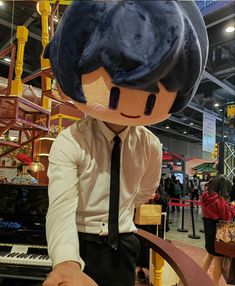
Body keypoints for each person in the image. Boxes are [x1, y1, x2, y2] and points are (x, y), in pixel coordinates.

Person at [42, 1, 208, 285]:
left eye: (150, 98)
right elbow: (60, 207)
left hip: (126, 244)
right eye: (115, 94)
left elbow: (146, 192)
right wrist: (67, 263)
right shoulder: (70, 142)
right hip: (79, 242)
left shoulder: (150, 145)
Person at [201, 174, 235, 286]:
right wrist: (233, 206)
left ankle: (198, 279)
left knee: (209, 255)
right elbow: (227, 216)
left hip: (208, 230)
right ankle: (215, 284)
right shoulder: (219, 200)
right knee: (218, 260)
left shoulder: (206, 196)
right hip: (217, 233)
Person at [135, 186, 169, 284]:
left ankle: (154, 270)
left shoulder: (158, 187)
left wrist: (156, 196)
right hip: (141, 224)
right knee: (141, 247)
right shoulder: (138, 186)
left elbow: (165, 200)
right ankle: (140, 270)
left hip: (156, 226)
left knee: (155, 249)